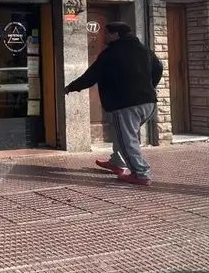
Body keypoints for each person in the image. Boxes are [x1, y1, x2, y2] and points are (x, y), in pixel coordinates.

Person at [65, 21, 164, 186]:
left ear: (115, 34)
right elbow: (159, 68)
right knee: (124, 134)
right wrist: (149, 86)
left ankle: (141, 173)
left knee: (127, 139)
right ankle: (117, 162)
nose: (104, 36)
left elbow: (91, 76)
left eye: (106, 33)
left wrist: (71, 87)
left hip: (125, 103)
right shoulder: (143, 49)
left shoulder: (110, 53)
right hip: (148, 102)